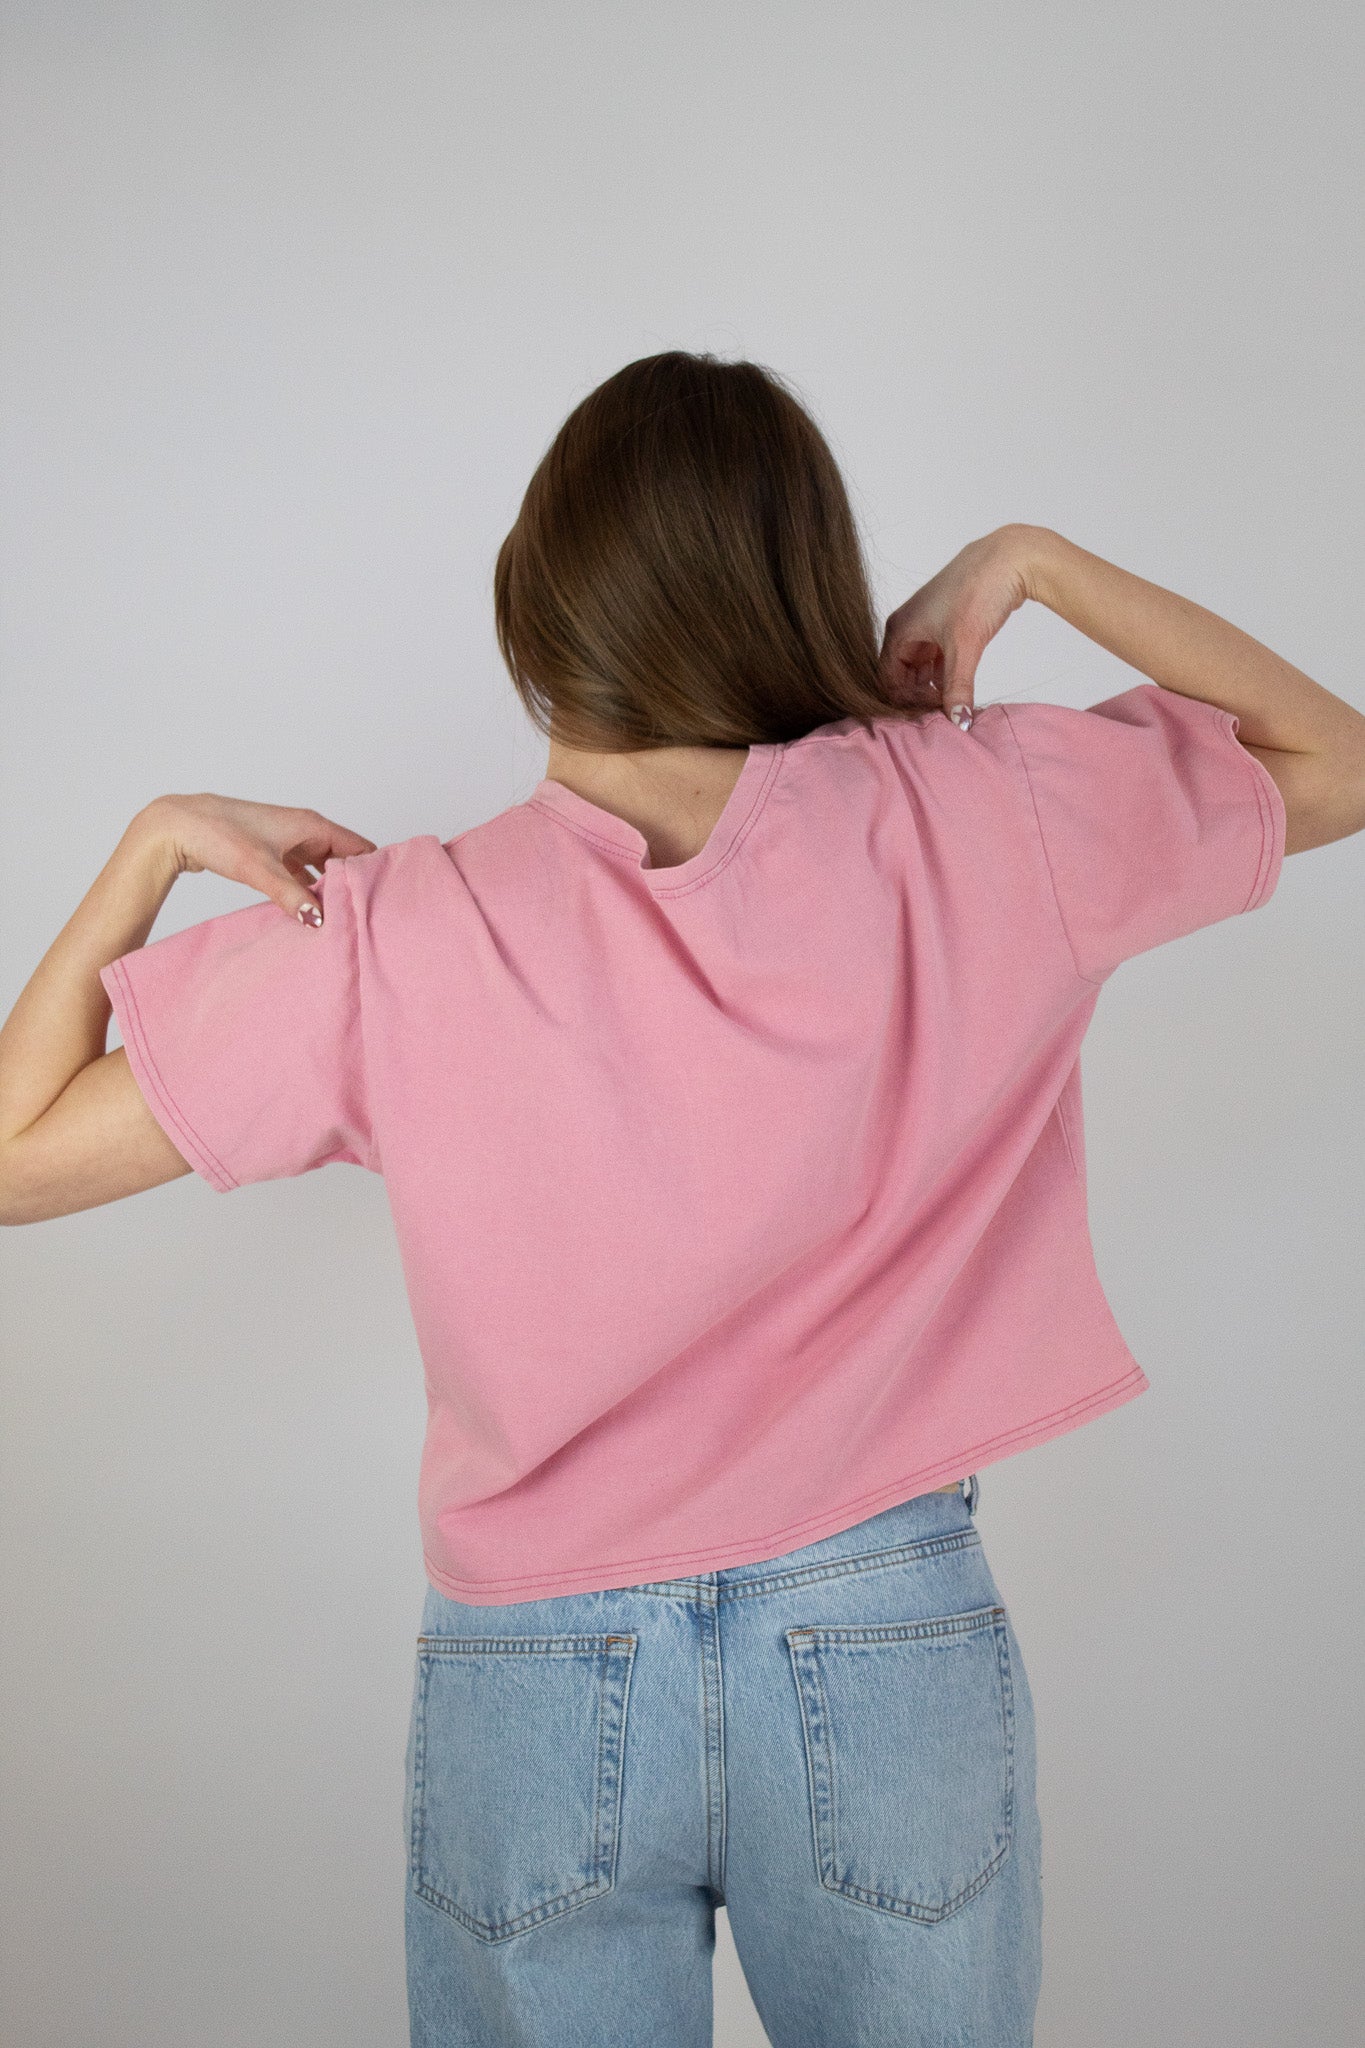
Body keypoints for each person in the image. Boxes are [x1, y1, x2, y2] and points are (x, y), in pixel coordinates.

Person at [1, 351, 1361, 2048]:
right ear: (802, 589)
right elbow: (1340, 756)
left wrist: (147, 848)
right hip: (884, 1636)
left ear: (538, 600)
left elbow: (10, 1156)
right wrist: (1029, 560)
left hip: (536, 1666)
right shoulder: (979, 812)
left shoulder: (395, 934)